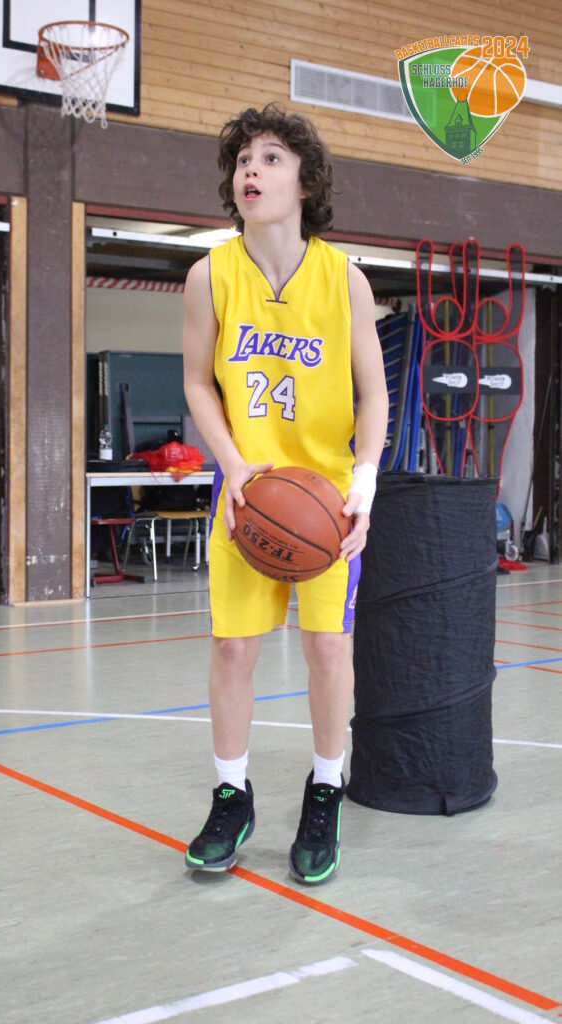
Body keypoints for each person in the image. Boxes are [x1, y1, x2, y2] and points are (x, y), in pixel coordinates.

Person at [182, 103, 389, 884]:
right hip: (247, 493)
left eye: (270, 157)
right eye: (242, 158)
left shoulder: (344, 279)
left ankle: (324, 789)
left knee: (327, 646)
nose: (250, 169)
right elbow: (197, 384)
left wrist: (364, 482)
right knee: (232, 648)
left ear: (305, 183)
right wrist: (232, 463)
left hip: (325, 500)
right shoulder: (209, 276)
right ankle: (230, 796)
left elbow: (374, 394)